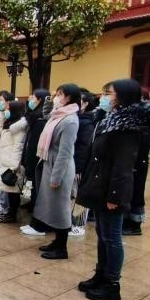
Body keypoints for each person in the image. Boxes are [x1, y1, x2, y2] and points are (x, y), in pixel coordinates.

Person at [76, 79, 150, 300]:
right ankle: (101, 274)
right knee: (102, 235)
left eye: (110, 93)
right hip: (100, 185)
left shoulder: (128, 126)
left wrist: (115, 196)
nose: (105, 97)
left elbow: (123, 165)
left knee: (112, 237)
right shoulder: (110, 119)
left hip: (112, 190)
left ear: (123, 96)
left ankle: (112, 283)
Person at [32, 84, 80, 260]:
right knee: (51, 206)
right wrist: (49, 100)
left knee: (60, 208)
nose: (57, 97)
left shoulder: (71, 120)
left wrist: (56, 177)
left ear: (69, 97)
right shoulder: (58, 115)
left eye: (60, 94)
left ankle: (62, 247)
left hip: (60, 168)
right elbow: (46, 113)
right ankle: (57, 241)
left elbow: (65, 152)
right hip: (49, 163)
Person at [122, 88, 150, 236]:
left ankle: (135, 224)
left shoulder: (145, 120)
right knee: (128, 192)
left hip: (137, 163)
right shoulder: (133, 118)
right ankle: (127, 220)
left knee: (136, 193)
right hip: (131, 162)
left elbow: (140, 145)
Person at [69, 89, 98, 236]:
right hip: (72, 163)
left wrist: (79, 168)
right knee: (71, 196)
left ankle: (78, 225)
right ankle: (70, 222)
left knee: (78, 196)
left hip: (80, 166)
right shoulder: (77, 118)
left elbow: (83, 147)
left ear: (85, 104)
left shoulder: (87, 122)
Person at [0, 101, 28, 223]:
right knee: (9, 190)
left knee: (13, 192)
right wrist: (1, 114)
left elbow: (18, 147)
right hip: (6, 160)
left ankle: (12, 215)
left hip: (12, 163)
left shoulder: (19, 127)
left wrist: (14, 167)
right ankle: (10, 213)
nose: (6, 110)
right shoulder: (10, 123)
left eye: (8, 108)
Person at [20, 89, 50, 212]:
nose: (30, 100)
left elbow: (36, 141)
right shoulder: (33, 115)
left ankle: (35, 206)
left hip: (35, 153)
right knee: (31, 181)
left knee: (36, 181)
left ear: (40, 100)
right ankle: (31, 202)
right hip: (30, 150)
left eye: (33, 97)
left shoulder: (41, 118)